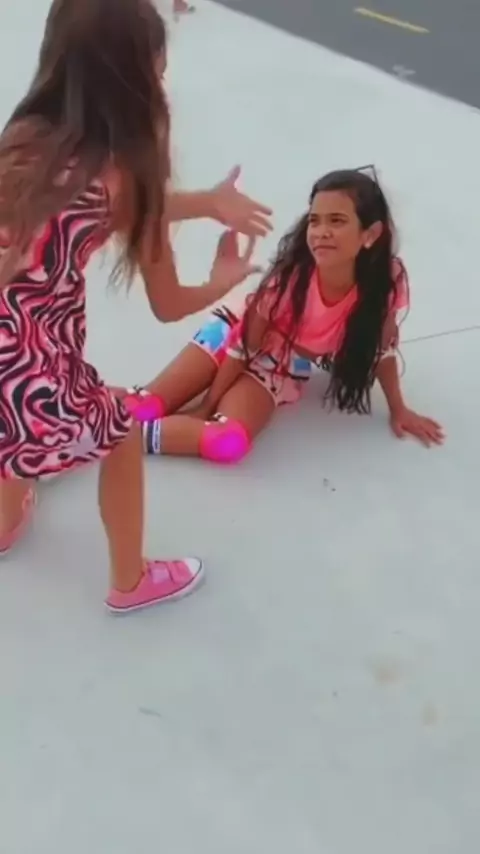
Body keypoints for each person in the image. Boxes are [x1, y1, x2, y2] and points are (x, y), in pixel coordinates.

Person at [0, 0, 265, 614]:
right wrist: (222, 281)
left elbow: (111, 208)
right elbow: (168, 303)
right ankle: (131, 580)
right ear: (137, 80)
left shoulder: (24, 141)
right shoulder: (129, 171)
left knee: (14, 419)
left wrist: (205, 204)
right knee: (116, 426)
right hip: (24, 361)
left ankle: (6, 522)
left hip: (17, 351)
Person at [123, 168, 444, 461]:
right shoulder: (290, 282)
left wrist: (399, 409)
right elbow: (242, 346)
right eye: (315, 221)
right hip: (233, 336)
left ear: (370, 234)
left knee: (226, 442)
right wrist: (208, 404)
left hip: (280, 366)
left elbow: (382, 348)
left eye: (337, 221)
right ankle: (106, 428)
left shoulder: (386, 281)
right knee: (144, 406)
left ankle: (120, 438)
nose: (321, 232)